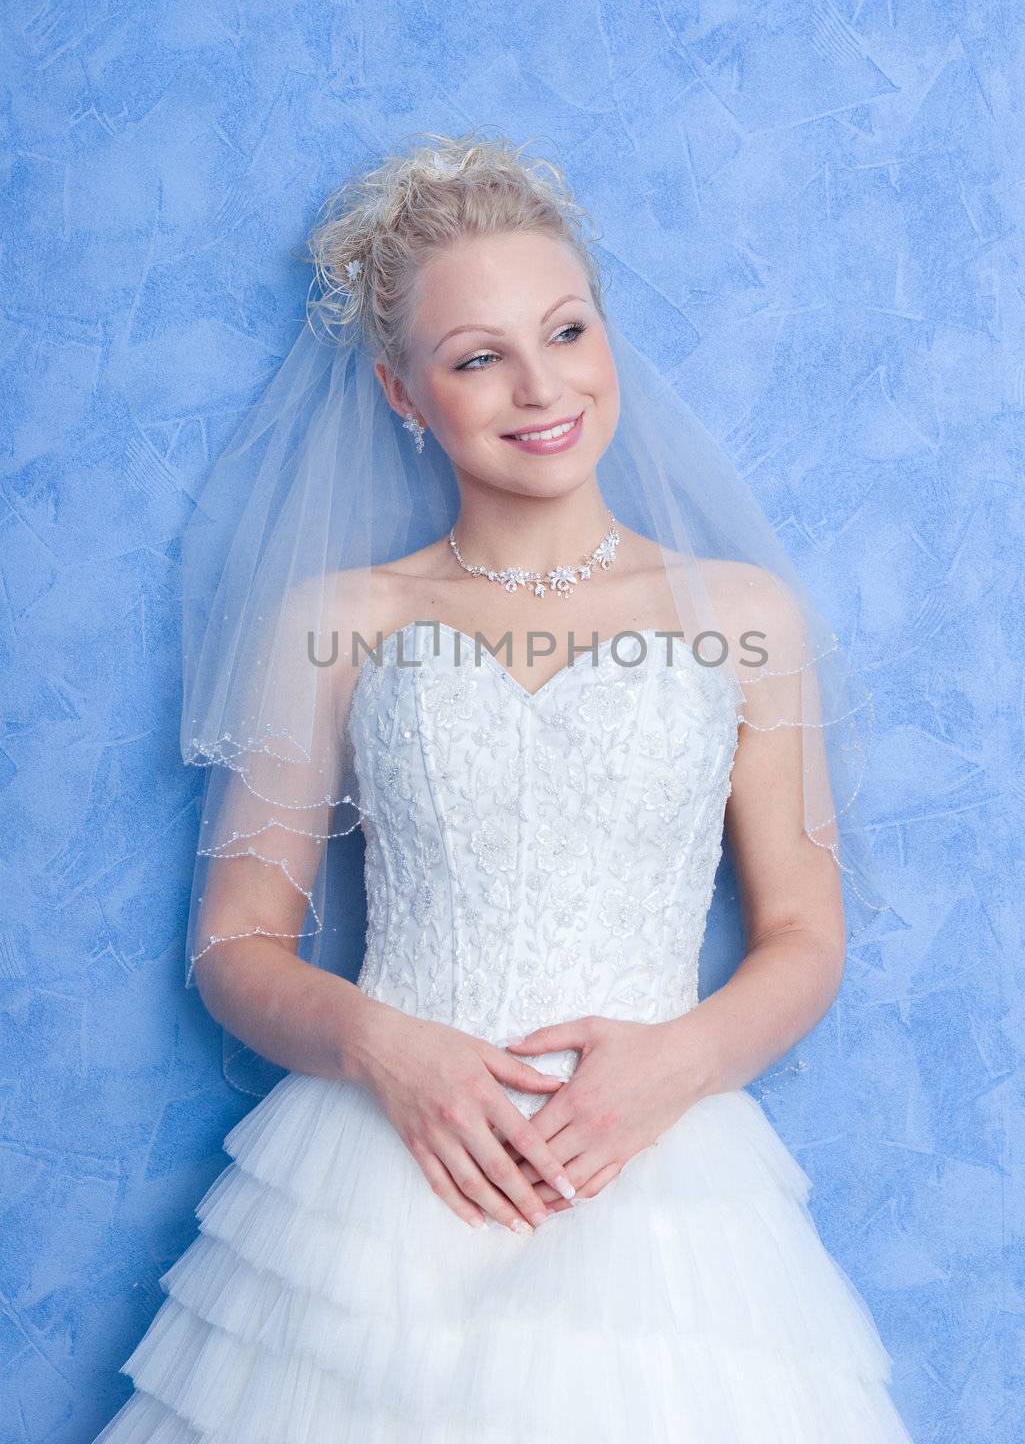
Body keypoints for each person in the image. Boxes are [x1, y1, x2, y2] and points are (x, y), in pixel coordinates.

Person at [92, 132, 914, 1441]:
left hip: (659, 1182)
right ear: (404, 394)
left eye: (567, 330)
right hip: (379, 1177)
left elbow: (809, 935)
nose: (542, 386)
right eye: (478, 356)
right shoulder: (337, 619)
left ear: (604, 336)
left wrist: (676, 1064)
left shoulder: (743, 618)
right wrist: (385, 1046)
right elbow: (235, 945)